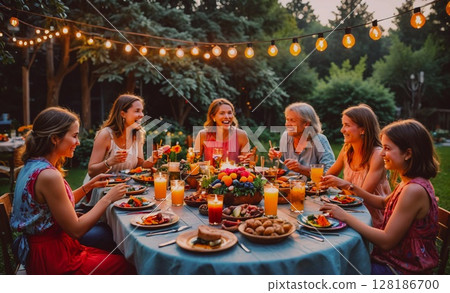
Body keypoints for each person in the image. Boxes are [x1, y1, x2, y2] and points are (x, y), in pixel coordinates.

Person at [10, 107, 135, 274]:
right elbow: (76, 230)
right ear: (55, 138)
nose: (78, 142)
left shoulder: (33, 165)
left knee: (115, 248)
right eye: (74, 136)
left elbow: (56, 205)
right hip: (53, 258)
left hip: (51, 249)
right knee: (128, 265)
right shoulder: (48, 176)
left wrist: (87, 187)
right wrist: (108, 199)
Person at [320, 119, 439, 274]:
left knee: (334, 271)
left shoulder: (414, 190)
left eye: (387, 148)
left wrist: (345, 216)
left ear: (408, 154)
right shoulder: (410, 183)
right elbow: (383, 202)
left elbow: (386, 241)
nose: (381, 153)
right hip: (394, 260)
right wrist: (349, 186)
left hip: (401, 269)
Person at [321, 104, 390, 228]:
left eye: (347, 125)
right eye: (343, 125)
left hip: (371, 217)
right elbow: (329, 175)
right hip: (349, 211)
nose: (342, 130)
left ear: (363, 129)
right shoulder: (347, 149)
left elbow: (361, 197)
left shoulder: (377, 155)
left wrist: (341, 184)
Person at [87, 94, 155, 178]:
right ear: (123, 114)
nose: (142, 115)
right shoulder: (106, 135)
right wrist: (109, 162)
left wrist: (151, 161)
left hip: (129, 187)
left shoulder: (138, 134)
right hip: (103, 187)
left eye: (142, 111)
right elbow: (91, 171)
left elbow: (139, 165)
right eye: (137, 111)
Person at [268, 102, 335, 177]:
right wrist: (276, 157)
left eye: (292, 120)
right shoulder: (285, 136)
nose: (287, 124)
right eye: (287, 119)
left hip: (312, 187)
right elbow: (281, 165)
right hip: (287, 186)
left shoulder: (319, 140)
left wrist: (301, 169)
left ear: (306, 124)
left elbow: (330, 172)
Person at [194, 98, 251, 164]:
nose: (227, 116)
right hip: (210, 174)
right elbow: (194, 162)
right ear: (213, 117)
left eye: (229, 113)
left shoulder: (241, 135)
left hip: (233, 174)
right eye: (222, 113)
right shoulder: (203, 135)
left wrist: (248, 160)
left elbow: (247, 163)